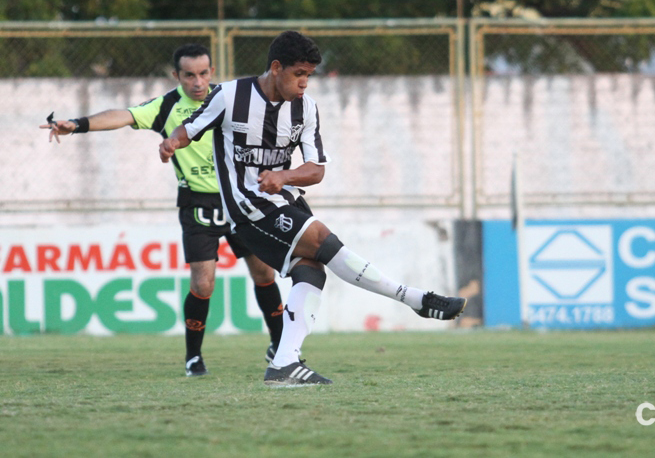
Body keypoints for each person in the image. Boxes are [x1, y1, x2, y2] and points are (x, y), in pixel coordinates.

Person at [159, 31, 467, 386]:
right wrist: (171, 143)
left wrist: (284, 175)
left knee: (311, 270)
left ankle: (284, 363)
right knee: (324, 240)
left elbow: (316, 169)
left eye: (309, 75)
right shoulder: (229, 95)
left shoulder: (306, 108)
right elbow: (190, 128)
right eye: (298, 74)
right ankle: (414, 298)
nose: (304, 83)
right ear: (277, 68)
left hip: (285, 200)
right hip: (247, 207)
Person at [40, 44, 284, 377]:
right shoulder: (168, 105)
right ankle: (193, 357)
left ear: (211, 72)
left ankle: (280, 347)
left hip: (240, 199)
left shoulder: (229, 99)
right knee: (204, 283)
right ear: (177, 76)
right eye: (189, 75)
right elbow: (123, 116)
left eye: (203, 73)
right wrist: (79, 125)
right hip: (199, 203)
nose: (197, 82)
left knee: (265, 274)